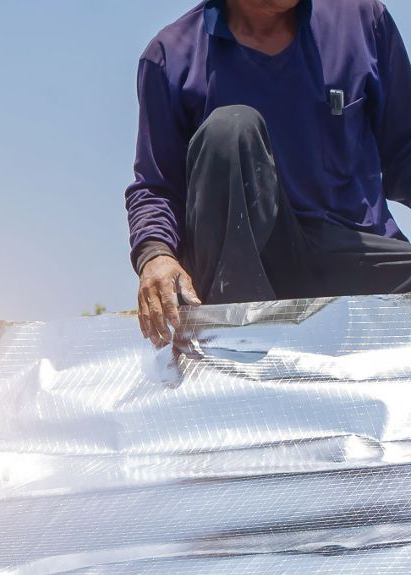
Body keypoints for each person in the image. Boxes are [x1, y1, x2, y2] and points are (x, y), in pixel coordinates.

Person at [127, 0, 411, 345]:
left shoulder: (362, 20)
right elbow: (157, 187)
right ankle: (242, 342)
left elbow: (404, 153)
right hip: (240, 274)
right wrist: (155, 255)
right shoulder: (168, 57)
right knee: (230, 127)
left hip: (346, 249)